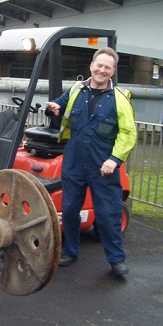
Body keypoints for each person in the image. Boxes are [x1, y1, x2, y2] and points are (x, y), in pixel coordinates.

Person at [45, 47, 137, 278]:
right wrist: (54, 107)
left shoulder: (120, 99)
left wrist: (114, 160)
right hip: (74, 160)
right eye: (99, 65)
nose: (102, 70)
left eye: (107, 67)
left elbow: (128, 133)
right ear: (91, 66)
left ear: (113, 71)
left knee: (108, 215)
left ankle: (116, 261)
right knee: (70, 210)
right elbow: (60, 104)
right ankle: (70, 251)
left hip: (103, 166)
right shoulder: (77, 90)